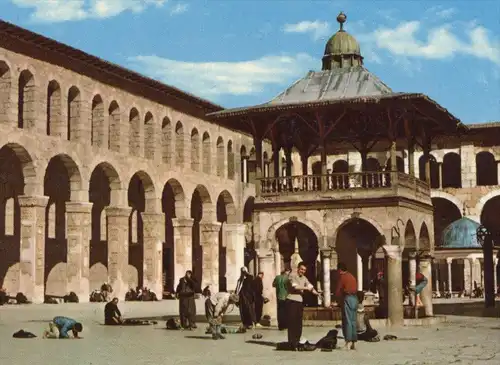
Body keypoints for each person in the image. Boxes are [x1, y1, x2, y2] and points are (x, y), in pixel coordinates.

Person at [286, 261, 321, 350]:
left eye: (304, 270)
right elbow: (295, 287)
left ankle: (297, 341)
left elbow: (311, 287)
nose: (302, 271)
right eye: (301, 269)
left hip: (299, 302)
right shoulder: (292, 276)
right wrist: (307, 289)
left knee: (298, 323)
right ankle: (292, 343)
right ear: (298, 268)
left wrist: (317, 293)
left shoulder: (304, 278)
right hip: (292, 301)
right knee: (292, 322)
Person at [335, 262, 358, 350]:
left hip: (348, 298)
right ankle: (354, 343)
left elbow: (338, 290)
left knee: (347, 320)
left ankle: (347, 342)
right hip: (355, 299)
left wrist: (336, 300)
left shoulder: (342, 277)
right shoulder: (352, 276)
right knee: (353, 321)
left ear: (340, 270)